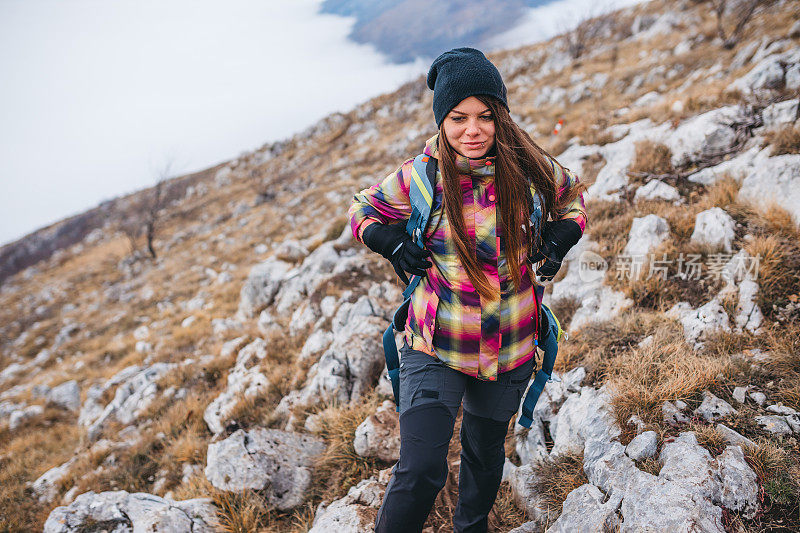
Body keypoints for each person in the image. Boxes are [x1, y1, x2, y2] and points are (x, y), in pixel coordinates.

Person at [347, 47, 587, 533]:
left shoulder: (531, 168)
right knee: (420, 470)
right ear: (442, 121)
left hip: (512, 345)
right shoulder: (421, 177)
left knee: (482, 454)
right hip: (436, 342)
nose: (472, 130)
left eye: (484, 116)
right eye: (458, 118)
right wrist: (388, 241)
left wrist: (563, 236)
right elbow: (361, 209)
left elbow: (573, 200)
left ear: (501, 116)